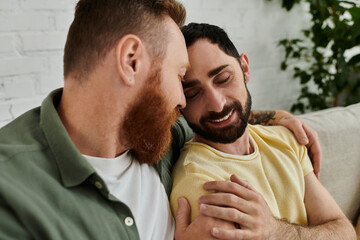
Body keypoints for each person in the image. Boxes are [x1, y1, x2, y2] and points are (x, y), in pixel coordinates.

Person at [0, 1, 321, 239]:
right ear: (131, 61)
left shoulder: (160, 132)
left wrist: (278, 117)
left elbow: (221, 116)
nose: (182, 101)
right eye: (180, 77)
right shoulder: (12, 189)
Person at [170, 23, 356, 239]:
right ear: (180, 102)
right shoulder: (200, 181)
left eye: (223, 79)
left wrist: (276, 231)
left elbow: (344, 231)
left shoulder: (285, 139)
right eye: (193, 93)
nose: (217, 104)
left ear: (245, 68)